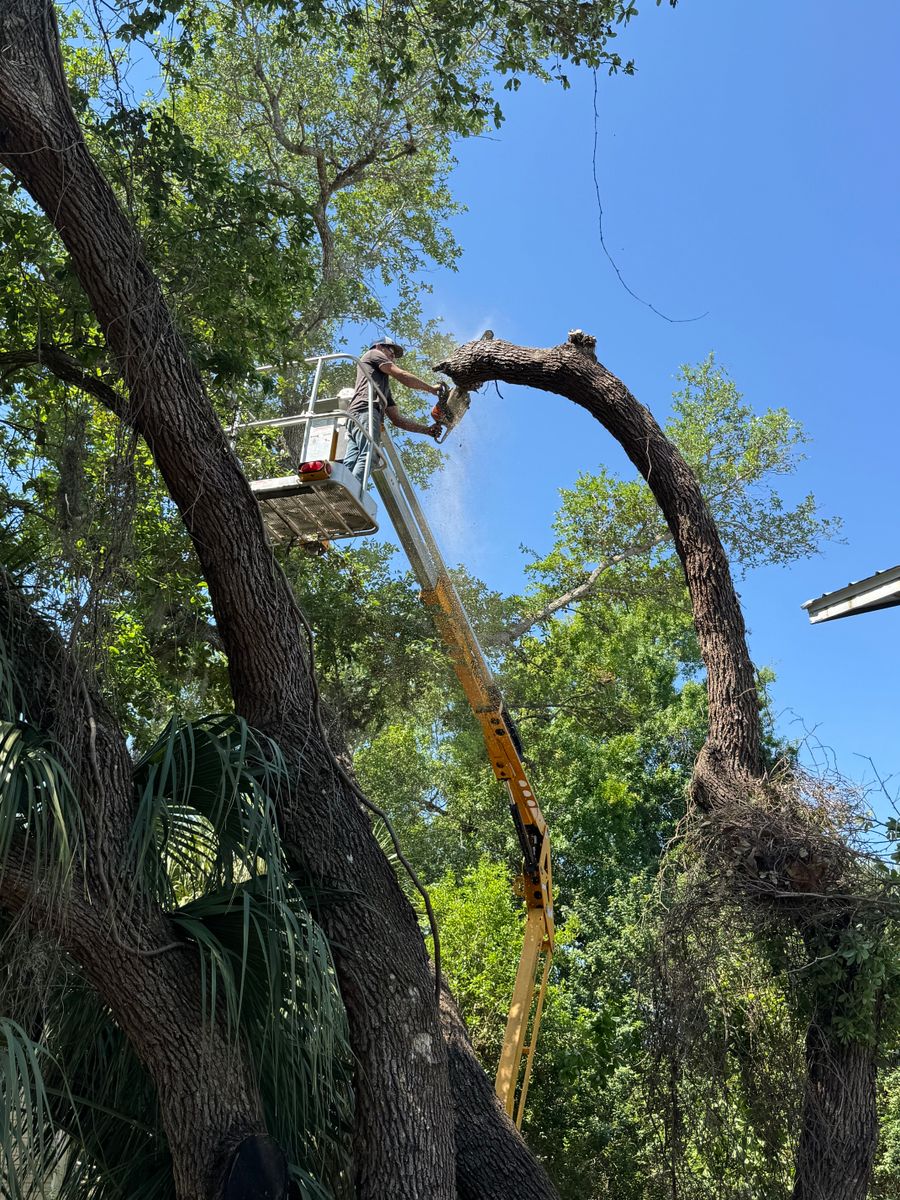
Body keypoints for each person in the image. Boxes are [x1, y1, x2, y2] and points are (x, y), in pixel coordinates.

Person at [343, 337, 443, 484]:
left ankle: (340, 492)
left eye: (395, 355)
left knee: (352, 461)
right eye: (391, 350)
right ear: (379, 347)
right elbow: (402, 375)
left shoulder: (380, 387)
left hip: (357, 415)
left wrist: (426, 430)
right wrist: (431, 389)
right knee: (370, 455)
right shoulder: (373, 354)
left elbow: (397, 419)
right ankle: (351, 492)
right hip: (366, 410)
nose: (393, 356)